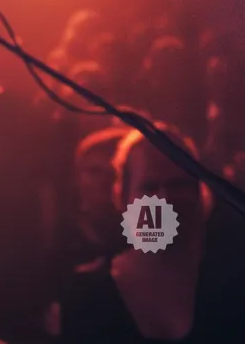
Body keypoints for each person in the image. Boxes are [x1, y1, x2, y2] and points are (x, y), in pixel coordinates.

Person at [57, 125, 245, 343]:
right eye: (149, 187)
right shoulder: (88, 294)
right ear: (123, 197)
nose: (164, 198)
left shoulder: (236, 278)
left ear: (200, 192)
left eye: (179, 184)